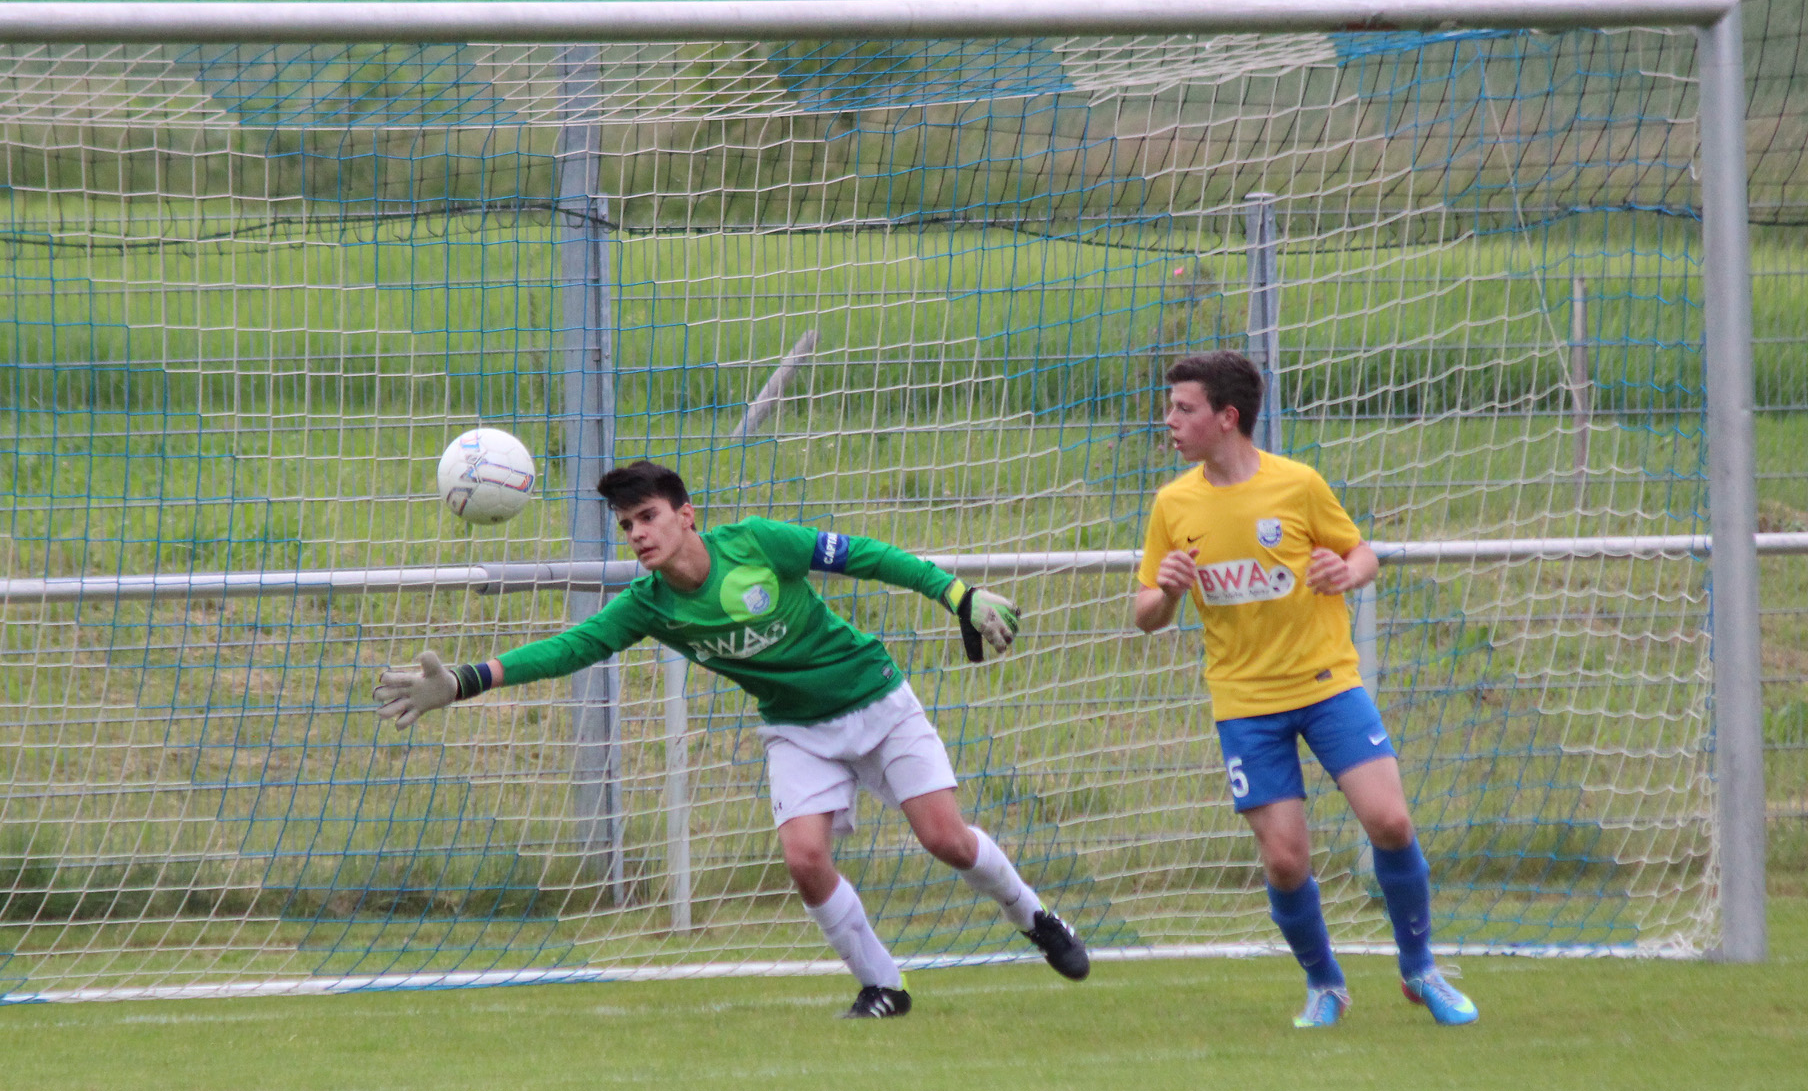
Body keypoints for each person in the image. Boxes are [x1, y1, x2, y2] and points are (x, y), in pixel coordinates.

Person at [374, 459, 1089, 1017]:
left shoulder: (757, 544)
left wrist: (957, 594)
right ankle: (883, 987)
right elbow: (572, 647)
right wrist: (465, 681)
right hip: (797, 730)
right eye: (626, 526)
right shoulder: (648, 606)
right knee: (804, 859)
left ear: (686, 516)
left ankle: (1034, 916)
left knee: (947, 841)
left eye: (648, 516)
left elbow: (868, 556)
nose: (638, 534)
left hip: (876, 699)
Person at [1132, 351, 1478, 1028]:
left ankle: (1421, 968)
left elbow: (1361, 552)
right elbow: (1144, 613)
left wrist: (1348, 574)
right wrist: (1167, 592)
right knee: (1287, 860)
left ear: (1227, 418)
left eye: (1183, 408)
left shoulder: (1297, 486)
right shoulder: (1173, 504)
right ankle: (1326, 984)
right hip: (1245, 702)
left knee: (1391, 821)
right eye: (1170, 407)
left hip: (1326, 685)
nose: (1168, 419)